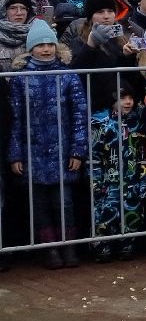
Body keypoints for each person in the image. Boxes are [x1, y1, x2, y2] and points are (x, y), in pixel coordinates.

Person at [8, 20, 88, 268]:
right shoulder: (20, 79)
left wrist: (78, 150)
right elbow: (15, 119)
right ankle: (49, 249)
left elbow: (79, 115)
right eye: (40, 45)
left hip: (63, 151)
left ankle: (68, 246)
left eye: (49, 44)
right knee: (40, 204)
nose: (45, 49)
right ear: (30, 49)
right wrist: (15, 155)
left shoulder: (68, 76)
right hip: (33, 152)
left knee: (64, 202)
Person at [88, 85, 146, 260]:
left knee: (133, 209)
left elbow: (144, 154)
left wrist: (145, 179)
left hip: (132, 177)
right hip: (108, 178)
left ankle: (127, 242)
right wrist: (96, 180)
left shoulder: (138, 121)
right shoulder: (100, 121)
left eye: (130, 97)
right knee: (105, 210)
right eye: (122, 98)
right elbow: (94, 155)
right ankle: (102, 244)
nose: (128, 102)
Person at [0, 0, 37, 71]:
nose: (19, 13)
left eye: (23, 8)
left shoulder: (38, 34)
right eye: (13, 8)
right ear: (2, 11)